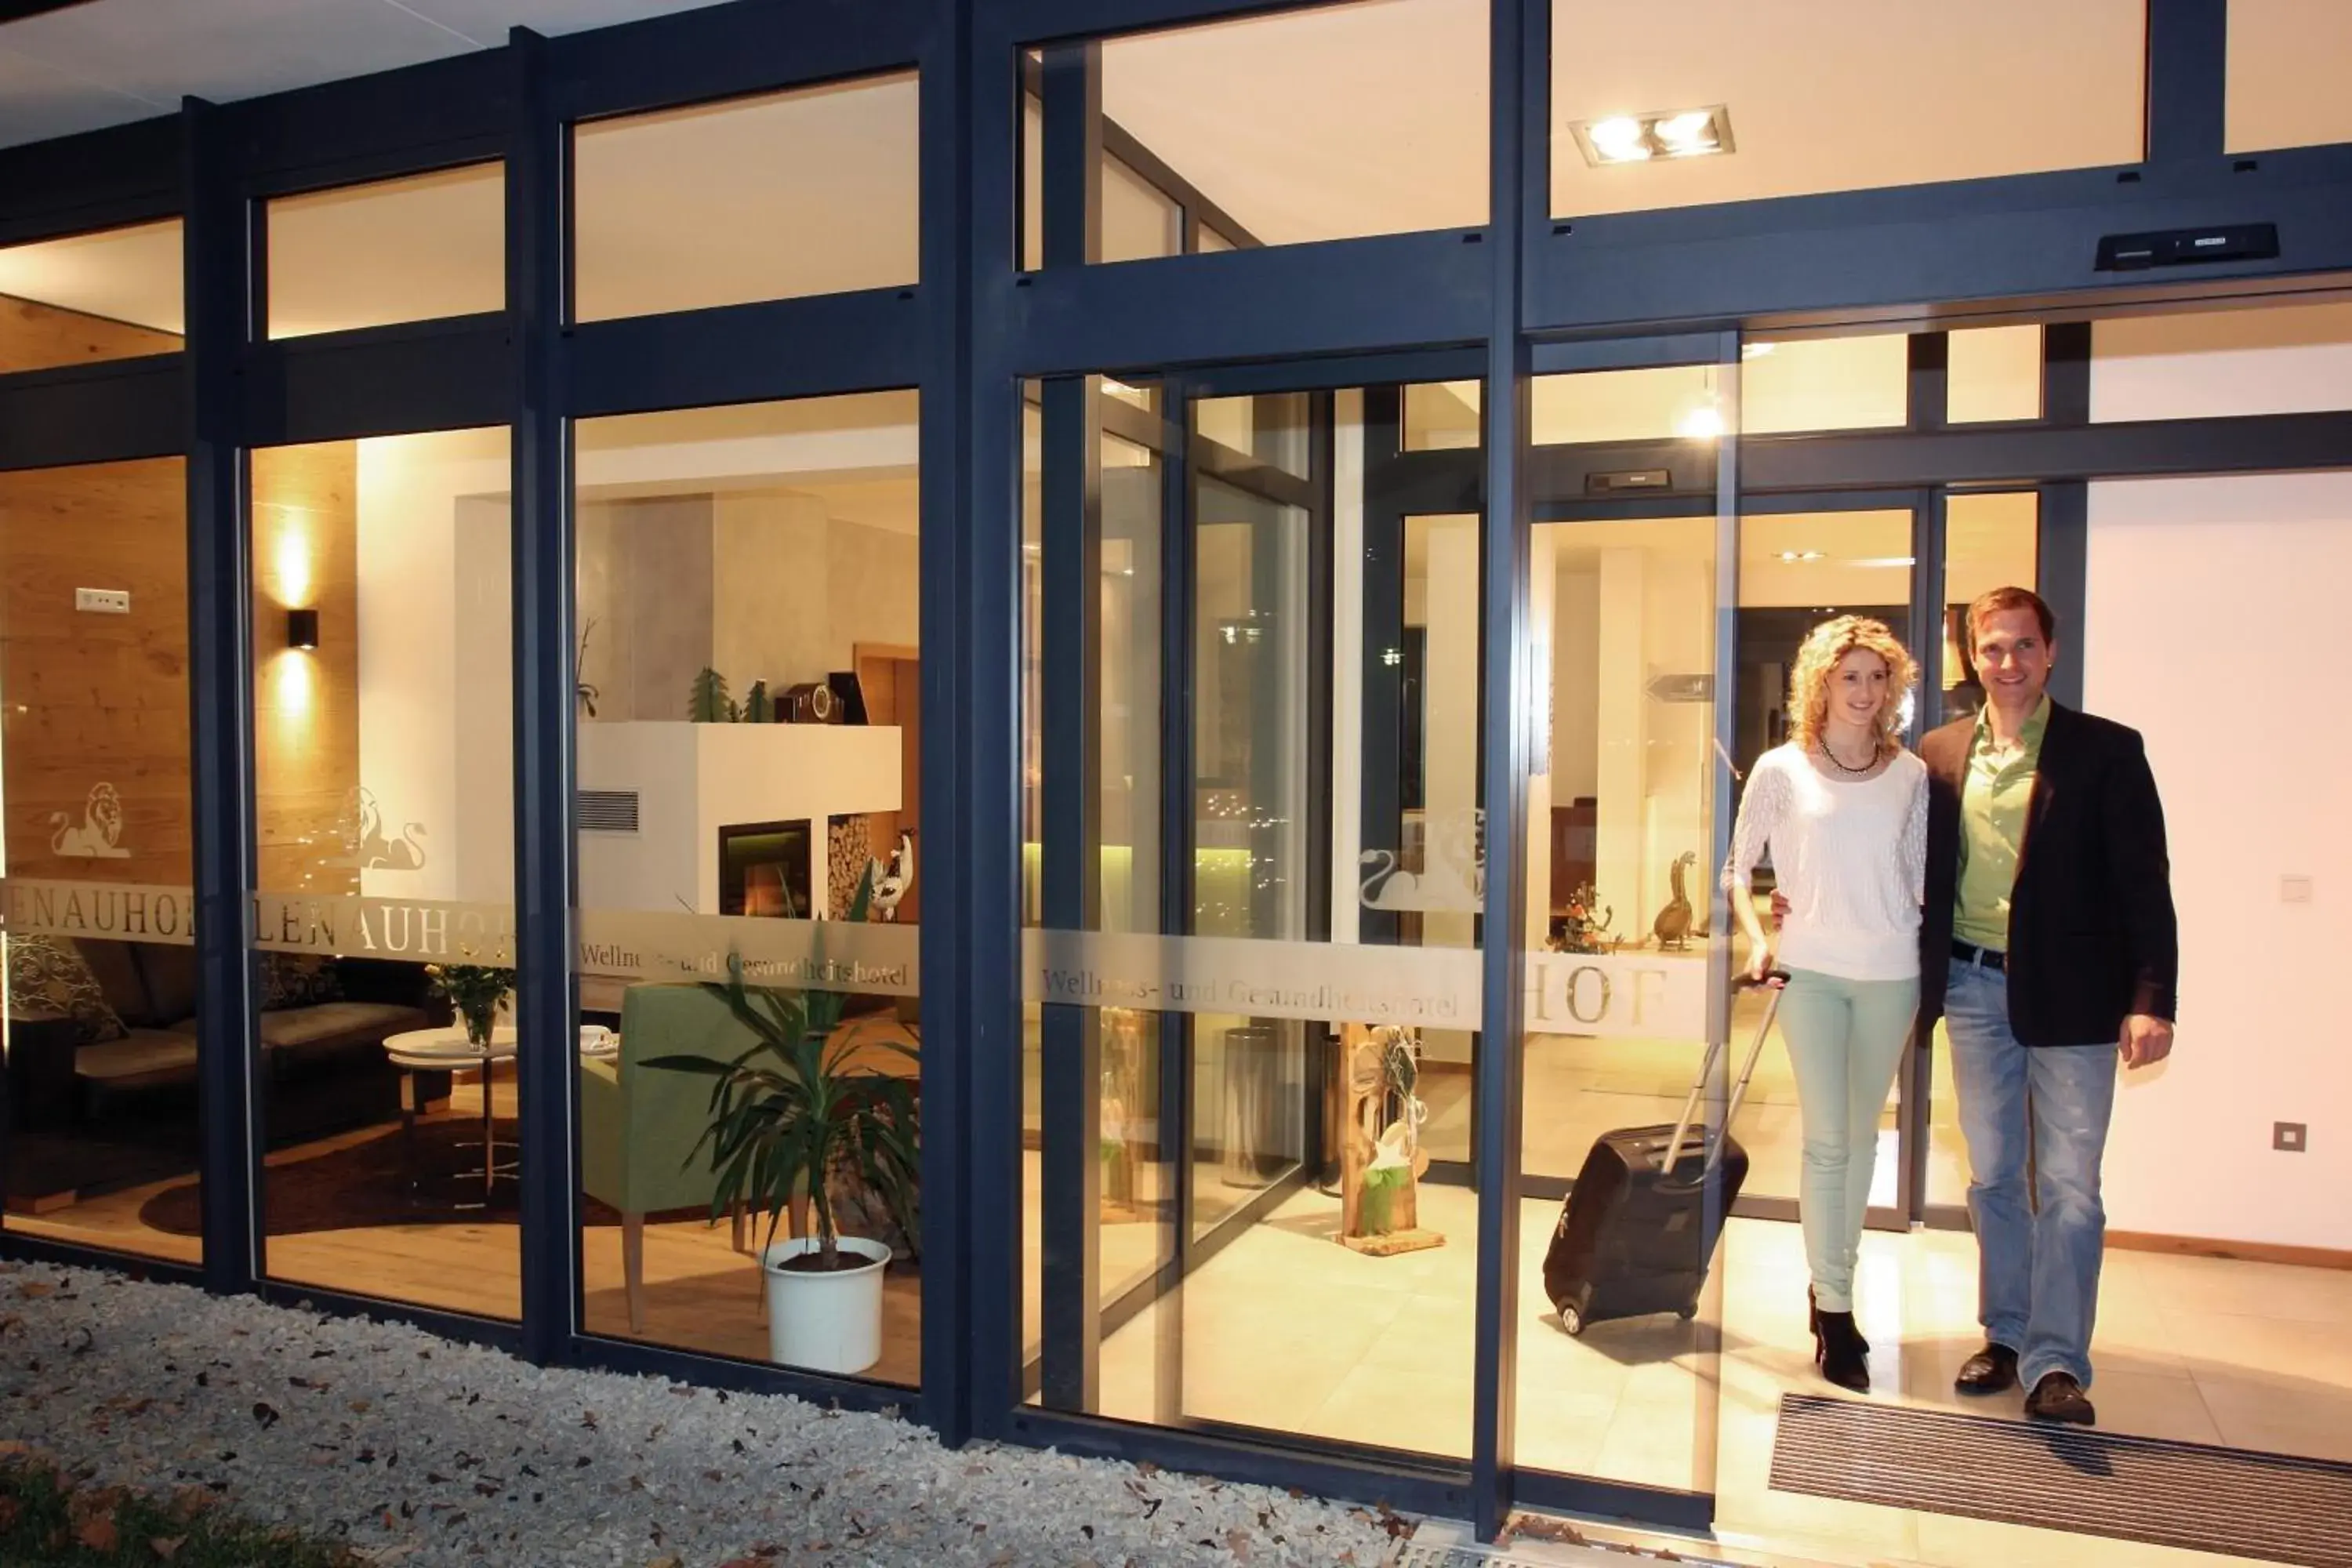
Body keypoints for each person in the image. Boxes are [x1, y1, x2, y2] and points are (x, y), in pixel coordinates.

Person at [1922, 585, 2177, 1427]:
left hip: (2075, 996)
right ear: (1973, 655)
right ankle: (2006, 1331)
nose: (2008, 662)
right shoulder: (1939, 752)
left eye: (2024, 646)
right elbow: (1913, 873)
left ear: (2051, 650)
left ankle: (2058, 1360)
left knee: (2070, 1184)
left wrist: (2151, 997)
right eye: (1992, 647)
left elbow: (2145, 883)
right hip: (1972, 987)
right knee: (1995, 1173)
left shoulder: (2105, 750)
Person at [1724, 616, 1927, 1394]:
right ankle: (1835, 1305)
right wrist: (1756, 938)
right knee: (1829, 1139)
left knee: (1864, 1142)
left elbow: (1915, 875)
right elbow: (1738, 870)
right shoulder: (1781, 770)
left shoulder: (1911, 777)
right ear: (1822, 683)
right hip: (1808, 972)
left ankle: (1832, 1287)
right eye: (1851, 676)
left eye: (1879, 677)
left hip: (1890, 971)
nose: (1866, 690)